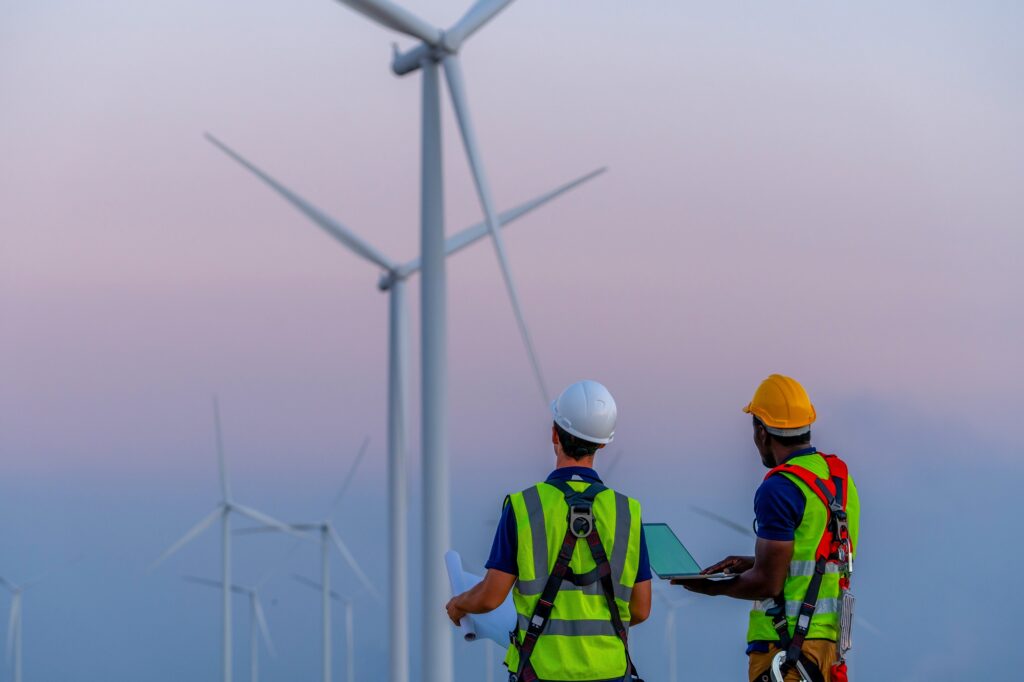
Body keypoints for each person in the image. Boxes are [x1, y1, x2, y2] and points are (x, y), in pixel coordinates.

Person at [446, 380, 652, 682]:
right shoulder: (627, 512)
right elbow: (641, 609)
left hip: (541, 671)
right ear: (603, 443)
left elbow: (490, 597)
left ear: (554, 433)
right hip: (610, 671)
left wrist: (458, 604)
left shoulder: (523, 507)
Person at [679, 374, 860, 682]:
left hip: (787, 649)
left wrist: (713, 587)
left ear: (762, 432)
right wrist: (751, 562)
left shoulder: (779, 488)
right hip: (827, 651)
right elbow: (817, 555)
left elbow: (768, 583)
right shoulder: (838, 479)